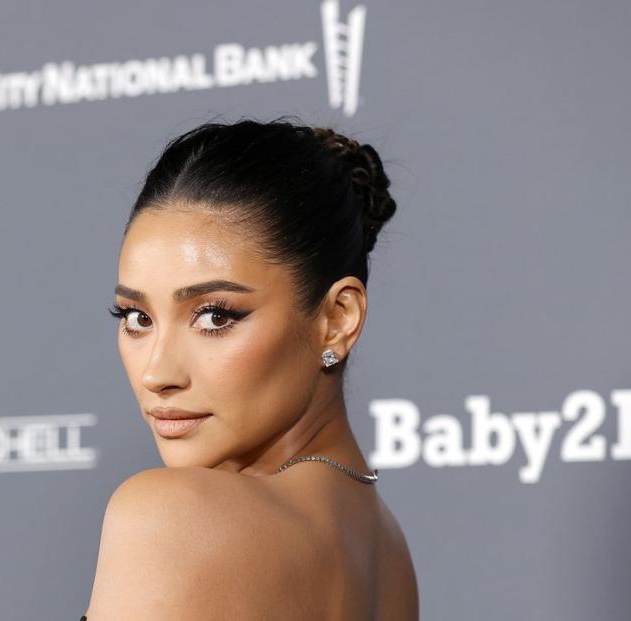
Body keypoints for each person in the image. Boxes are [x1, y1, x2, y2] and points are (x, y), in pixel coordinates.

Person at [81, 117, 418, 620]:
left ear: (337, 319)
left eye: (216, 316)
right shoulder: (387, 552)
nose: (158, 373)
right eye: (137, 318)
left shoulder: (169, 516)